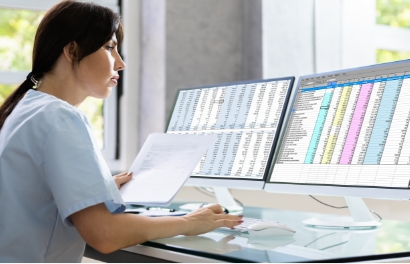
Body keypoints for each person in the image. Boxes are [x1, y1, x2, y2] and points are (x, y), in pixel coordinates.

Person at [0, 1, 242, 262]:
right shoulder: (61, 117)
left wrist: (92, 190)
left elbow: (31, 194)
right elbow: (105, 234)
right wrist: (189, 222)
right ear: (72, 50)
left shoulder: (24, 109)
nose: (120, 63)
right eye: (110, 48)